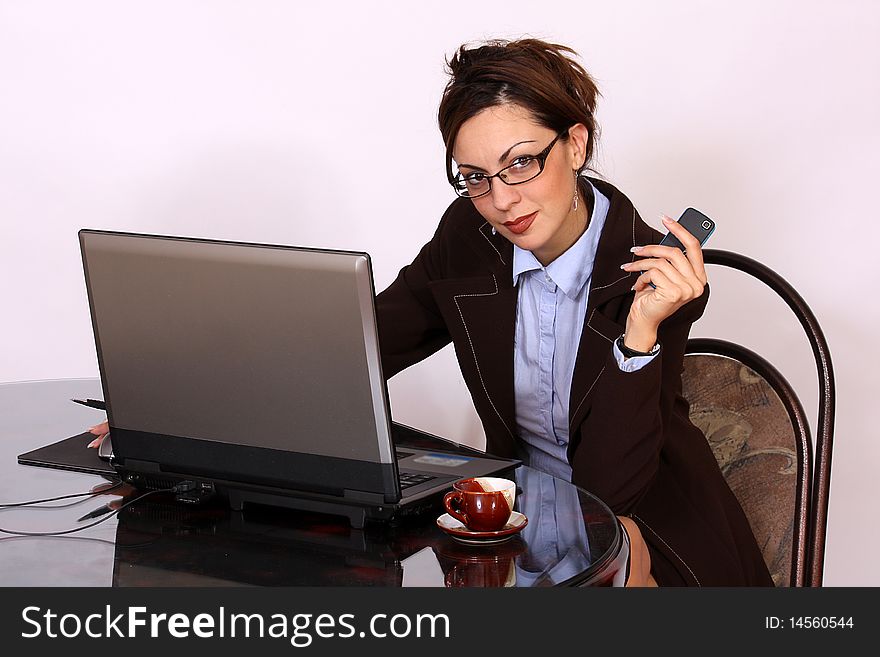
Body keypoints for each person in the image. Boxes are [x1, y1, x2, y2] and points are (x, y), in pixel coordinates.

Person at [90, 38, 773, 587]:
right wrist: (187, 406)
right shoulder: (469, 239)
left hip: (648, 532)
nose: (502, 201)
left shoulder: (655, 277)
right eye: (476, 176)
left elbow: (609, 491)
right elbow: (364, 345)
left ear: (576, 144)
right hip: (513, 520)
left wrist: (639, 333)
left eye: (522, 163)